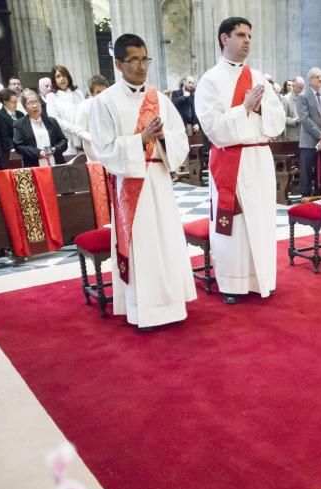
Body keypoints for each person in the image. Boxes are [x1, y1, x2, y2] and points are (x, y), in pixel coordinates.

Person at [89, 34, 196, 331]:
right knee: (142, 246)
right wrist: (141, 139)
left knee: (165, 242)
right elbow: (104, 149)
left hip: (159, 182)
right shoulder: (104, 102)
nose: (140, 66)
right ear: (119, 63)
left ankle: (172, 305)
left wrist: (163, 139)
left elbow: (180, 138)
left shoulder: (160, 100)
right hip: (130, 186)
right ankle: (143, 309)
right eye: (133, 60)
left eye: (144, 59)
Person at [194, 17, 285, 304]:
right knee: (234, 227)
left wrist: (256, 112)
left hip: (259, 158)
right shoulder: (210, 81)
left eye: (249, 35)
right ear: (224, 38)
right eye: (241, 35)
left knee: (260, 221)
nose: (247, 40)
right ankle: (232, 284)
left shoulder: (259, 78)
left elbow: (277, 120)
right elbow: (215, 129)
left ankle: (262, 279)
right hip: (231, 161)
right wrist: (244, 108)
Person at [296, 67, 321, 199]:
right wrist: (320, 134)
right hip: (309, 141)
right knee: (306, 169)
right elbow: (305, 119)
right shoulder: (303, 96)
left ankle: (318, 193)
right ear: (310, 79)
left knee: (320, 169)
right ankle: (305, 196)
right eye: (318, 77)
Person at [12, 90, 67, 167]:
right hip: (34, 165)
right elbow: (19, 146)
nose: (34, 106)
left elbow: (63, 141)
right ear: (25, 107)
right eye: (30, 103)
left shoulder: (51, 121)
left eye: (36, 101)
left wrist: (55, 149)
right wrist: (38, 152)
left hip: (56, 162)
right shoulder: (19, 124)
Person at [45, 65, 86, 158]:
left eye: (64, 75)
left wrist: (81, 129)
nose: (62, 79)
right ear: (54, 80)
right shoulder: (51, 96)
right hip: (66, 138)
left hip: (82, 135)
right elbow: (55, 119)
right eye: (58, 76)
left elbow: (85, 111)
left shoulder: (77, 93)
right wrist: (74, 129)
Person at [76, 75, 110, 161]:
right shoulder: (84, 106)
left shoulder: (112, 105)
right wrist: (94, 138)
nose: (102, 95)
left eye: (105, 92)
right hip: (94, 156)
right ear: (91, 93)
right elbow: (79, 131)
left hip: (112, 154)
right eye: (98, 92)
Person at [282, 76, 304, 141]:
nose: (301, 90)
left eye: (302, 88)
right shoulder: (286, 99)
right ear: (293, 86)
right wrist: (295, 121)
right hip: (291, 137)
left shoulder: (303, 98)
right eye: (299, 87)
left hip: (302, 136)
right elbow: (282, 118)